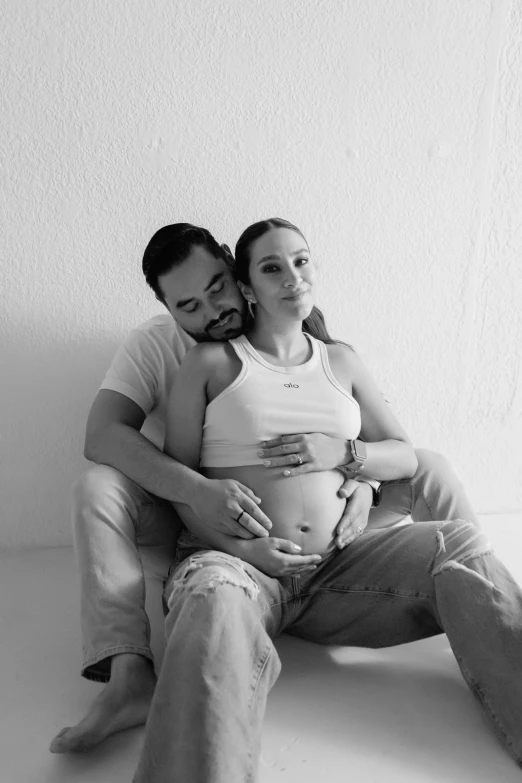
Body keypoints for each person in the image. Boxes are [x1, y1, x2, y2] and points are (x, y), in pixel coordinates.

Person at [50, 223, 481, 755]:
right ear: (166, 308)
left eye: (217, 289)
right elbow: (102, 435)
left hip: (330, 529)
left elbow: (361, 429)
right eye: (188, 306)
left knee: (431, 466)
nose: (211, 313)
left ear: (237, 273)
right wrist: (199, 494)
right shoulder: (161, 347)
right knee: (97, 486)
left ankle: (478, 604)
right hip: (196, 508)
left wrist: (363, 479)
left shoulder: (289, 320)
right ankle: (128, 673)